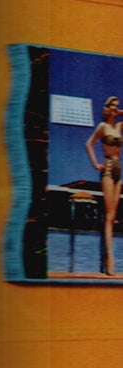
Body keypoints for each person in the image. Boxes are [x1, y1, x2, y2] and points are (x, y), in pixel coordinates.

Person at [84, 95, 121, 278]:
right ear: (107, 108)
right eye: (113, 106)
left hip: (118, 170)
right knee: (109, 215)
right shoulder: (102, 127)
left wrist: (119, 112)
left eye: (117, 106)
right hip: (107, 169)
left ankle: (108, 255)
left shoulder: (119, 126)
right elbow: (88, 144)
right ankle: (110, 259)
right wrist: (95, 164)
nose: (115, 108)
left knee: (114, 216)